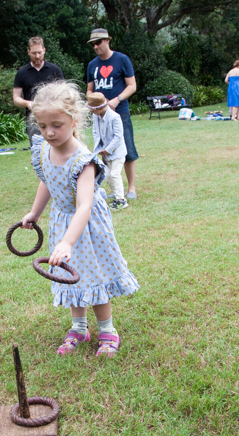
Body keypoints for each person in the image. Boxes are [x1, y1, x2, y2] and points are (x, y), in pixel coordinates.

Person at [20, 81, 139, 357]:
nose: (49, 132)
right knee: (69, 277)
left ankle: (107, 329)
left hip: (86, 227)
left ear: (74, 121)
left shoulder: (83, 160)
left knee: (94, 276)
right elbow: (47, 182)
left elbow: (84, 205)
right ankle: (79, 326)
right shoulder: (43, 150)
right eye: (43, 125)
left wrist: (68, 243)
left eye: (57, 125)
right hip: (62, 223)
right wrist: (34, 213)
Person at [86, 28, 139, 201]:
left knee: (127, 149)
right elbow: (89, 89)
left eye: (98, 42)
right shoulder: (92, 65)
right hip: (100, 115)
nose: (96, 46)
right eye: (93, 44)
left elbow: (132, 85)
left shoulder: (122, 59)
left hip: (119, 112)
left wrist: (117, 100)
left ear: (107, 40)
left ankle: (131, 188)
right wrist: (93, 103)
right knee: (105, 150)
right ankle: (116, 189)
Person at [13, 37, 65, 147]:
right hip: (33, 119)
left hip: (54, 117)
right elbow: (16, 98)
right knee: (37, 152)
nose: (37, 56)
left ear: (44, 50)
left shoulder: (55, 70)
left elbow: (64, 92)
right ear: (28, 52)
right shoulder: (21, 73)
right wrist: (27, 103)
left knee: (57, 149)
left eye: (39, 53)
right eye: (34, 53)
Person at [87, 93, 128, 210]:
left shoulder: (115, 117)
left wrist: (108, 149)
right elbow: (95, 132)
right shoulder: (96, 116)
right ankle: (117, 194)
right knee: (108, 175)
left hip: (117, 152)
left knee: (115, 174)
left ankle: (121, 200)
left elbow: (118, 136)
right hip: (103, 152)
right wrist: (99, 148)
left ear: (98, 108)